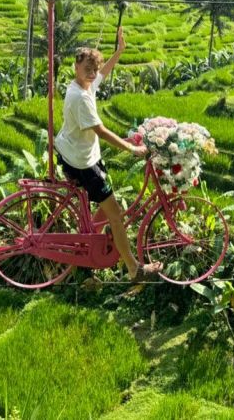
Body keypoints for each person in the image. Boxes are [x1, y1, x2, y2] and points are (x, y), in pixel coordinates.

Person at [55, 27, 163, 283]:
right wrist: (132, 148)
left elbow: (103, 73)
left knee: (105, 209)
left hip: (83, 154)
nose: (92, 73)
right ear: (75, 67)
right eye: (87, 69)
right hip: (82, 162)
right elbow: (101, 131)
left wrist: (119, 51)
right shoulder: (79, 97)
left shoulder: (86, 85)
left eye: (94, 69)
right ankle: (134, 269)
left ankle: (87, 254)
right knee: (114, 214)